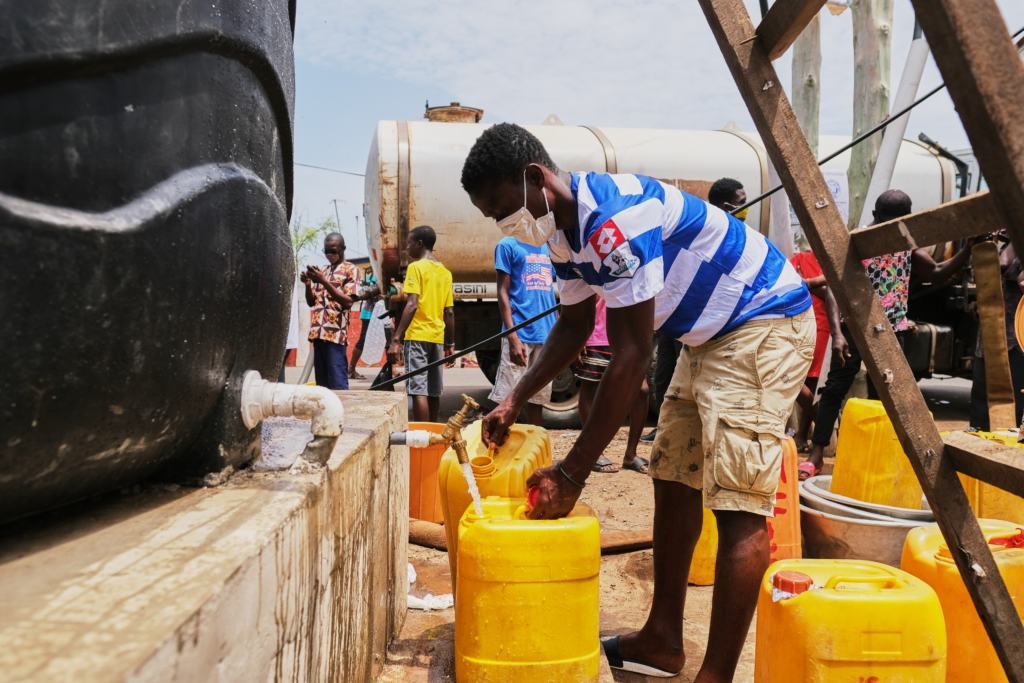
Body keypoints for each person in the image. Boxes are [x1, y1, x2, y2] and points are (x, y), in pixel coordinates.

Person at [461, 123, 814, 680]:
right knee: (673, 474)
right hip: (707, 336)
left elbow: (630, 355)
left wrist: (574, 473)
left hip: (763, 320)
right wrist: (513, 398)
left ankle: (715, 675)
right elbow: (574, 327)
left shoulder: (614, 220)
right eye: (495, 218)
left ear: (536, 177)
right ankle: (662, 640)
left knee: (738, 500)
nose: (506, 224)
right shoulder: (561, 234)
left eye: (505, 208)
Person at [801, 190, 975, 479]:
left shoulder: (904, 242)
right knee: (834, 389)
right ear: (876, 215)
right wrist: (837, 334)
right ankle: (817, 455)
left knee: (885, 394)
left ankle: (876, 455)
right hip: (853, 327)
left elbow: (935, 271)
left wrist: (967, 249)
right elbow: (833, 285)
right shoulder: (856, 240)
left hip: (892, 330)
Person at [642, 177, 749, 443]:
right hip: (674, 314)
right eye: (741, 204)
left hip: (698, 318)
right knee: (665, 372)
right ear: (726, 205)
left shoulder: (735, 233)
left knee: (691, 374)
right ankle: (664, 425)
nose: (746, 210)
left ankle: (690, 432)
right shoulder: (702, 225)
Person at [387, 225, 455, 422]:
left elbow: (412, 305)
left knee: (418, 391)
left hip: (417, 337)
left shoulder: (415, 268)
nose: (407, 247)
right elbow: (449, 312)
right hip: (437, 338)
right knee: (433, 391)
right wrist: (450, 345)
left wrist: (396, 339)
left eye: (409, 242)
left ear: (420, 243)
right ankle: (432, 437)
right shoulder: (445, 272)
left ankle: (421, 439)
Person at [488, 235, 558, 425]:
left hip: (547, 333)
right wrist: (512, 337)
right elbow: (502, 292)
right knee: (508, 398)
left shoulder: (548, 245)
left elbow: (550, 293)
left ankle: (532, 445)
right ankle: (503, 445)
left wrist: (559, 331)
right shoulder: (506, 245)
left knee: (538, 397)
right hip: (521, 333)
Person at [577, 297, 650, 473]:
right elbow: (575, 300)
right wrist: (578, 338)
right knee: (591, 389)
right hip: (596, 335)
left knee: (642, 391)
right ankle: (594, 453)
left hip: (629, 336)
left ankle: (631, 454)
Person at [969, 237, 1024, 431]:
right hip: (991, 337)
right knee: (981, 408)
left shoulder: (1015, 245)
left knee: (1010, 408)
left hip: (1014, 340)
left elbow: (1003, 263)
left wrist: (1013, 230)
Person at [302, 233, 361, 390]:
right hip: (318, 334)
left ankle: (343, 414)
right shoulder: (324, 270)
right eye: (326, 251)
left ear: (343, 249)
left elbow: (348, 302)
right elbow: (311, 302)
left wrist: (323, 281)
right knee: (323, 387)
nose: (330, 255)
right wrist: (308, 284)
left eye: (333, 251)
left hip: (335, 334)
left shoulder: (351, 270)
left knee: (338, 384)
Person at [789, 249, 830, 452]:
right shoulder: (800, 257)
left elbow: (835, 293)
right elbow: (789, 285)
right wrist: (819, 283)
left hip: (822, 325)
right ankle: (824, 426)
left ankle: (804, 435)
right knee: (792, 376)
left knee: (811, 381)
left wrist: (806, 283)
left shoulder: (834, 260)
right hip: (796, 324)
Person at [349, 272, 379, 380]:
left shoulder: (384, 276)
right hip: (369, 315)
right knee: (363, 340)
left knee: (389, 339)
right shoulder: (373, 277)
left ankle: (393, 370)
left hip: (381, 314)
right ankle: (351, 370)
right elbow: (370, 294)